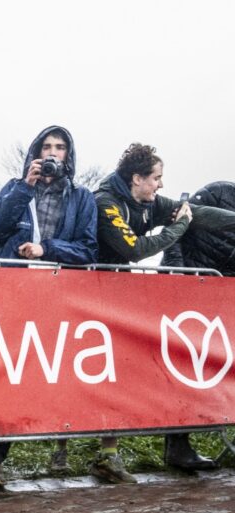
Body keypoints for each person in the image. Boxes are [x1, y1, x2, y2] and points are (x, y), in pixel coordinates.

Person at [94, 143, 235, 481]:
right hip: (91, 290)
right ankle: (89, 453)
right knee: (102, 373)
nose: (161, 184)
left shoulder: (149, 202)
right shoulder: (106, 202)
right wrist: (178, 228)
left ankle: (108, 456)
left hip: (119, 289)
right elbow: (134, 249)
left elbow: (194, 214)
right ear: (137, 178)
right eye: (157, 178)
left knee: (119, 372)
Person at [0, 125, 98, 478]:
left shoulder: (82, 197)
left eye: (59, 147)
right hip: (8, 291)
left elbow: (88, 249)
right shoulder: (16, 186)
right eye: (46, 146)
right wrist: (25, 187)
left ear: (68, 155)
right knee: (0, 375)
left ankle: (49, 450)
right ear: (35, 153)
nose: (52, 153)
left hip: (53, 295)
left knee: (41, 375)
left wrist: (46, 249)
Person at [161, 181, 235, 276]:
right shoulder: (220, 192)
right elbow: (173, 225)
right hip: (178, 276)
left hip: (217, 283)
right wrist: (176, 269)